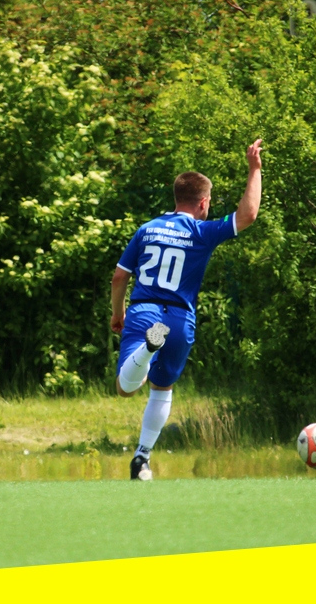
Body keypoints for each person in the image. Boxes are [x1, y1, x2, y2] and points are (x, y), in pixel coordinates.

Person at [110, 139, 262, 480]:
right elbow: (248, 215)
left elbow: (119, 277)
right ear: (203, 203)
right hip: (180, 319)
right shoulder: (201, 232)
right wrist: (254, 168)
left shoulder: (147, 229)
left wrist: (117, 313)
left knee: (125, 387)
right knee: (162, 388)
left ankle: (147, 349)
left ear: (176, 197)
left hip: (144, 311)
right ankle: (141, 459)